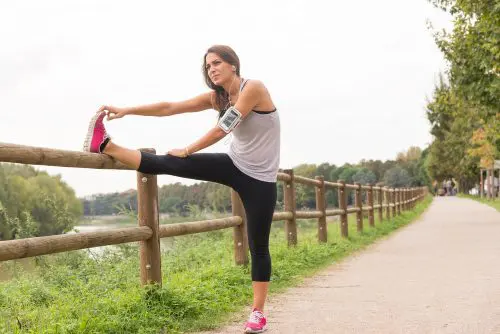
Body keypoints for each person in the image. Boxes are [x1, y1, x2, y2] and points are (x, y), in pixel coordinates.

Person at [83, 45, 279, 333]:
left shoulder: (254, 88)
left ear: (233, 65)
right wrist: (127, 110)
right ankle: (104, 144)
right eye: (208, 66)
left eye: (217, 63)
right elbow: (170, 107)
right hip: (234, 164)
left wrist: (188, 149)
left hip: (261, 179)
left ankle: (258, 313)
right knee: (168, 163)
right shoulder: (217, 97)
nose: (211, 69)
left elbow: (223, 128)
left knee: (258, 246)